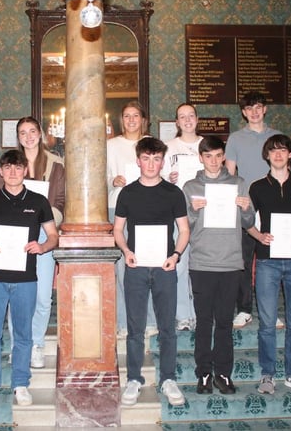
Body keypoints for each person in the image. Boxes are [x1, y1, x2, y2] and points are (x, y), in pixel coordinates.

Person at [0, 149, 59, 407]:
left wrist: (42, 247)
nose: (12, 172)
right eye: (7, 168)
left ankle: (20, 383)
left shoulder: (39, 201)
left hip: (25, 278)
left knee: (23, 335)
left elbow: (53, 236)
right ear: (1, 171)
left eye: (17, 168)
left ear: (25, 171)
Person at [113, 137, 190, 407]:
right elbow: (117, 230)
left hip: (165, 267)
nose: (151, 164)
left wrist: (176, 255)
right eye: (146, 158)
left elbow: (184, 230)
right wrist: (126, 251)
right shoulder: (128, 193)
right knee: (135, 328)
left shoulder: (173, 193)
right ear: (138, 161)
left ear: (162, 161)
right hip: (135, 267)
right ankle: (134, 379)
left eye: (156, 159)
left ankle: (168, 379)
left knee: (167, 326)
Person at [182, 136, 254, 395]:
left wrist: (246, 208)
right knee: (204, 322)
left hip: (231, 262)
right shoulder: (190, 187)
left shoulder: (238, 184)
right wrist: (192, 210)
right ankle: (203, 374)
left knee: (224, 322)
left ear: (224, 156)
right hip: (201, 262)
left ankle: (223, 373)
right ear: (201, 157)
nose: (213, 161)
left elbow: (248, 222)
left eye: (218, 155)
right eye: (208, 156)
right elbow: (184, 226)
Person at [246, 134, 291, 396]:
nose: (278, 154)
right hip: (266, 260)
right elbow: (246, 219)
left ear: (290, 155)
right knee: (266, 324)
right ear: (267, 155)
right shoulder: (256, 186)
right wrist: (258, 235)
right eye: (273, 150)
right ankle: (267, 375)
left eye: (283, 150)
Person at [225, 92, 283, 329]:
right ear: (243, 113)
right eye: (249, 109)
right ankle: (244, 309)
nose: (254, 112)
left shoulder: (278, 137)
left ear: (265, 109)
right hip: (246, 205)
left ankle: (271, 311)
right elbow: (230, 174)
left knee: (272, 260)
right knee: (244, 260)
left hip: (273, 206)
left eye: (258, 107)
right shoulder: (236, 138)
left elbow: (284, 170)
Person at [11, 116, 65, 369]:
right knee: (17, 294)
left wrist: (46, 217)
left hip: (45, 233)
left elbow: (63, 199)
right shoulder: (10, 163)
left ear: (41, 133)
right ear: (18, 136)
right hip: (15, 234)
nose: (28, 136)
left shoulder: (56, 163)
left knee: (43, 297)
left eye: (32, 131)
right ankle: (18, 345)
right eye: (23, 132)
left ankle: (37, 344)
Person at [106, 101, 155, 334]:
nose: (131, 120)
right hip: (118, 207)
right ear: (121, 120)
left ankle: (151, 321)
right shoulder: (110, 145)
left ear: (142, 119)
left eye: (136, 115)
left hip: (149, 209)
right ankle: (124, 322)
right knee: (123, 267)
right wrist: (112, 181)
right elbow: (100, 177)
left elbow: (160, 173)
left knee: (151, 263)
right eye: (127, 116)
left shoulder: (153, 144)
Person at [161, 103, 203, 332]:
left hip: (205, 213)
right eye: (182, 117)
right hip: (180, 212)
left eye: (191, 116)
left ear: (197, 119)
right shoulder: (168, 147)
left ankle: (200, 313)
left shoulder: (206, 145)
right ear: (176, 122)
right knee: (180, 264)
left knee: (201, 266)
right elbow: (161, 178)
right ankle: (183, 314)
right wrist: (171, 177)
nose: (187, 120)